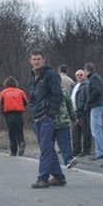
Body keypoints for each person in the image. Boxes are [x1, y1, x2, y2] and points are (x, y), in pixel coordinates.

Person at [27, 51, 65, 189]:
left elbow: (58, 95)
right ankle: (59, 177)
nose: (36, 61)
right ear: (30, 61)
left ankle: (42, 178)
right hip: (36, 115)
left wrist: (50, 113)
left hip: (46, 116)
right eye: (34, 59)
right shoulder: (31, 76)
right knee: (46, 147)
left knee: (46, 148)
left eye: (39, 59)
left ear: (44, 60)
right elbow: (33, 95)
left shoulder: (50, 75)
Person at [0, 76, 28, 156]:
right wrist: (22, 110)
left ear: (6, 83)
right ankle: (21, 142)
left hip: (9, 114)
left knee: (11, 133)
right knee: (19, 131)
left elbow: (0, 105)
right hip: (18, 113)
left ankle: (13, 151)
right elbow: (26, 102)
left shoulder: (3, 92)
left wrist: (3, 113)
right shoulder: (20, 92)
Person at [84, 62, 103, 160]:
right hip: (98, 105)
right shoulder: (97, 77)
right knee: (97, 129)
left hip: (96, 106)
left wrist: (89, 102)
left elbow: (96, 91)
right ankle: (100, 150)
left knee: (96, 130)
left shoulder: (93, 78)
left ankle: (100, 152)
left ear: (86, 70)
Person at [53, 87, 77, 169]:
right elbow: (69, 105)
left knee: (48, 144)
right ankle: (68, 159)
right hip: (64, 120)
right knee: (65, 142)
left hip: (49, 121)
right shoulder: (64, 91)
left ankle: (51, 161)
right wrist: (73, 118)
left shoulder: (44, 90)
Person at [71, 69, 91, 157]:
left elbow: (88, 98)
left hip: (82, 111)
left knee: (85, 131)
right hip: (74, 111)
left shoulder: (86, 85)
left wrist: (85, 108)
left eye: (81, 75)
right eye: (77, 75)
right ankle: (76, 149)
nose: (79, 76)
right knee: (75, 132)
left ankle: (86, 150)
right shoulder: (74, 85)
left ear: (84, 75)